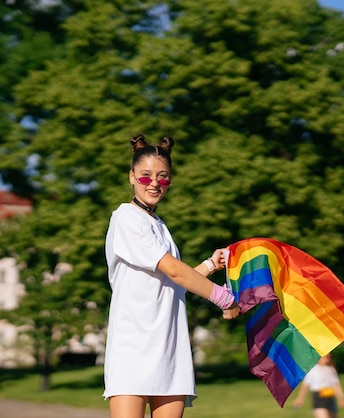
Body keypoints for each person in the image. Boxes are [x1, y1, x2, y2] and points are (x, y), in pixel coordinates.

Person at [103, 134, 240, 418]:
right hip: (133, 346)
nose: (154, 183)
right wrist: (225, 299)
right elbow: (175, 270)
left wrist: (210, 265)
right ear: (131, 177)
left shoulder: (160, 225)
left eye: (163, 177)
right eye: (145, 177)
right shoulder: (126, 218)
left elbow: (172, 283)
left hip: (170, 347)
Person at [292, 354, 344, 418]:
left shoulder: (331, 369)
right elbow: (305, 385)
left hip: (330, 397)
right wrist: (300, 399)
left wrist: (341, 398)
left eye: (329, 357)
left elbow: (336, 385)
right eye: (326, 357)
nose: (328, 358)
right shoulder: (313, 370)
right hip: (319, 397)